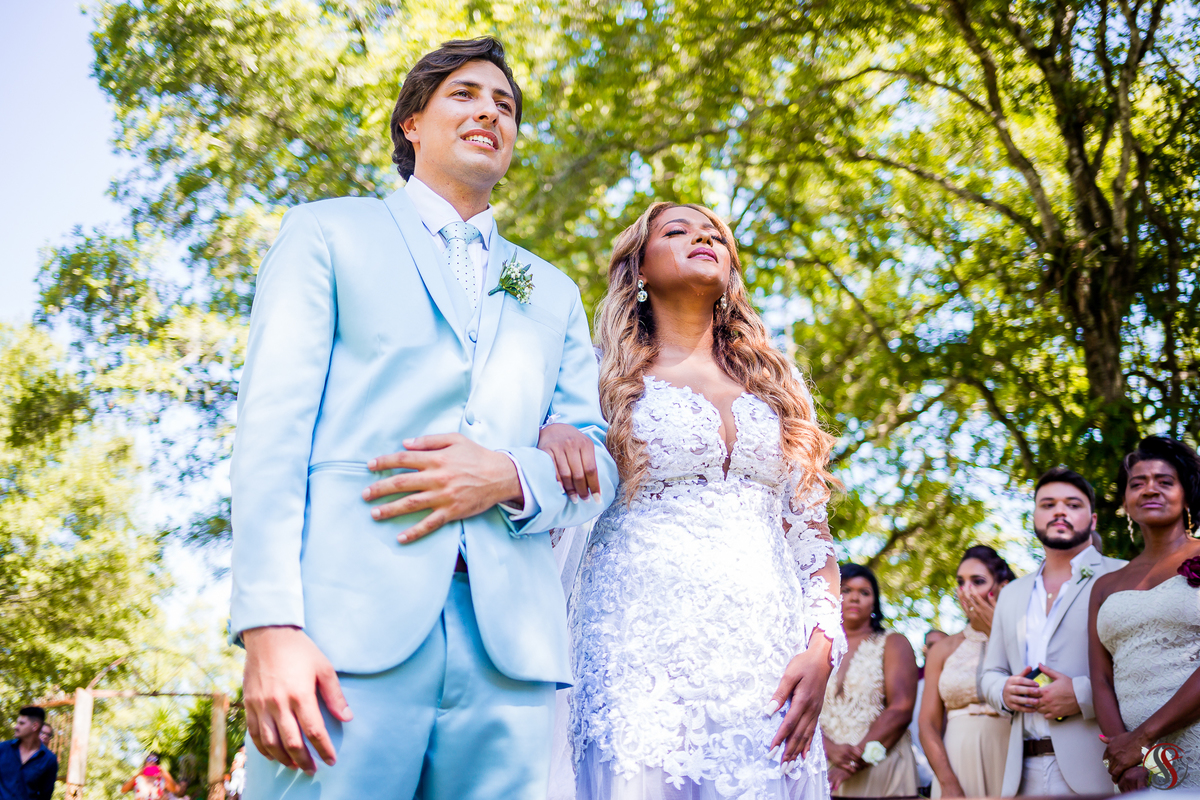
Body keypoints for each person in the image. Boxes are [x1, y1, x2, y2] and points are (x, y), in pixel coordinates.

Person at [230, 37, 618, 800]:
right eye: (466, 95)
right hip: (343, 635)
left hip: (511, 654)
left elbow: (598, 467)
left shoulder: (552, 289)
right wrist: (270, 626)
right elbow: (271, 431)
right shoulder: (326, 233)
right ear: (412, 121)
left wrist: (510, 473)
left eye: (504, 105)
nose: (490, 113)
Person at [543, 201, 844, 798]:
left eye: (715, 235)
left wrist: (821, 651)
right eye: (676, 232)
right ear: (639, 272)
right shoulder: (600, 383)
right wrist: (555, 429)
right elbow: (561, 492)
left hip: (766, 661)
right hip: (638, 657)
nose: (702, 238)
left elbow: (812, 542)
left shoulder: (778, 389)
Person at [980, 466, 1124, 796]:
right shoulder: (1012, 592)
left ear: (1093, 520)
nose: (1059, 510)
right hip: (1020, 771)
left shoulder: (1123, 577)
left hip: (1097, 765)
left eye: (1073, 504)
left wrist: (1083, 696)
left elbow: (1144, 671)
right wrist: (1003, 690)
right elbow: (990, 672)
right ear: (1034, 517)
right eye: (1048, 504)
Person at [1091, 435, 1200, 791]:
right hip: (1132, 764)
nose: (1150, 490)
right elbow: (1101, 680)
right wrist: (1121, 756)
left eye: (1165, 482)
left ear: (1187, 494)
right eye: (1138, 484)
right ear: (1125, 500)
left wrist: (1143, 739)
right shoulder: (1105, 585)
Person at [919, 546, 1015, 797]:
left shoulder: (1023, 640)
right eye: (961, 582)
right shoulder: (942, 649)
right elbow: (927, 724)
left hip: (1013, 757)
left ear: (1002, 587)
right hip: (955, 761)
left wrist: (998, 630)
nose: (967, 591)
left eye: (978, 581)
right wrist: (948, 783)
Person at [820, 564, 919, 796]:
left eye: (864, 592)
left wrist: (856, 761)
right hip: (824, 767)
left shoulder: (893, 643)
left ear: (874, 602)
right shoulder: (816, 646)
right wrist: (829, 749)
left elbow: (901, 708)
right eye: (846, 590)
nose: (855, 597)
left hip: (881, 772)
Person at [911, 629, 948, 796]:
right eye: (931, 645)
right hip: (920, 765)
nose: (937, 650)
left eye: (942, 644)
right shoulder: (911, 682)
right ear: (924, 649)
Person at [0, 706, 57, 800]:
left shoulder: (49, 760)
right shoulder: (3, 749)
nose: (16, 727)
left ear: (34, 726)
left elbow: (45, 796)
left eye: (21, 723)